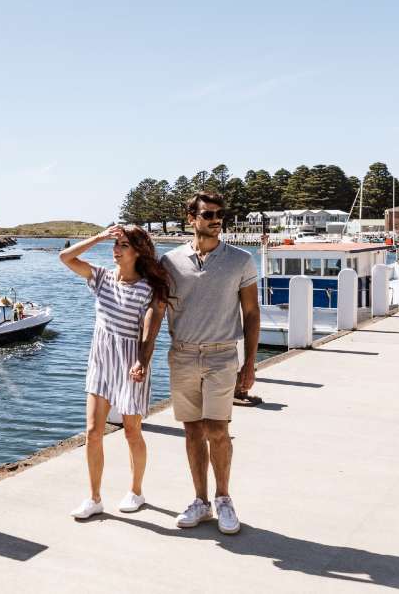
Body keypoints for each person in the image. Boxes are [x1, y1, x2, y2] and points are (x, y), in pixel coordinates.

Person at [161, 191, 260, 535]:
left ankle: (224, 499)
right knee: (191, 432)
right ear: (192, 218)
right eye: (208, 214)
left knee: (217, 431)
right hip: (183, 354)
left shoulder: (241, 260)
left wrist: (249, 364)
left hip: (222, 355)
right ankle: (200, 501)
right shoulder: (169, 262)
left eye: (220, 214)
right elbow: (152, 308)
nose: (216, 219)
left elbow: (251, 313)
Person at [60, 224, 169, 519]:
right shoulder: (102, 278)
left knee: (132, 432)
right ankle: (94, 498)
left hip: (130, 363)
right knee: (93, 432)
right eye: (115, 244)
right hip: (100, 362)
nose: (116, 250)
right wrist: (98, 237)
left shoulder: (149, 288)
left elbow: (150, 330)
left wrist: (142, 362)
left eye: (122, 245)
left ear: (137, 251)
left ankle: (136, 491)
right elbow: (65, 257)